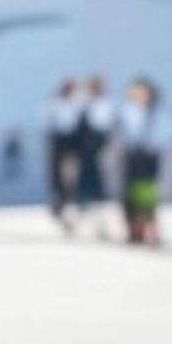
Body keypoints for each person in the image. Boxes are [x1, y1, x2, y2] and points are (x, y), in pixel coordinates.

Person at [118, 76, 172, 245]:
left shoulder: (160, 116)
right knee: (130, 194)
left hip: (149, 157)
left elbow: (166, 135)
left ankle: (149, 227)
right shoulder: (128, 112)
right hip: (133, 156)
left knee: (147, 194)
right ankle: (133, 230)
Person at [75, 74, 116, 237]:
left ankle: (101, 222)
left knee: (98, 187)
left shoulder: (105, 106)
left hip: (98, 150)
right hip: (83, 152)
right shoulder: (82, 105)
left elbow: (104, 127)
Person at [42, 77, 84, 231]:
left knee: (71, 176)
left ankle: (70, 203)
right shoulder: (54, 104)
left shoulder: (79, 104)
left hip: (73, 143)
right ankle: (60, 203)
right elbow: (48, 123)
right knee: (59, 175)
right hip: (59, 142)